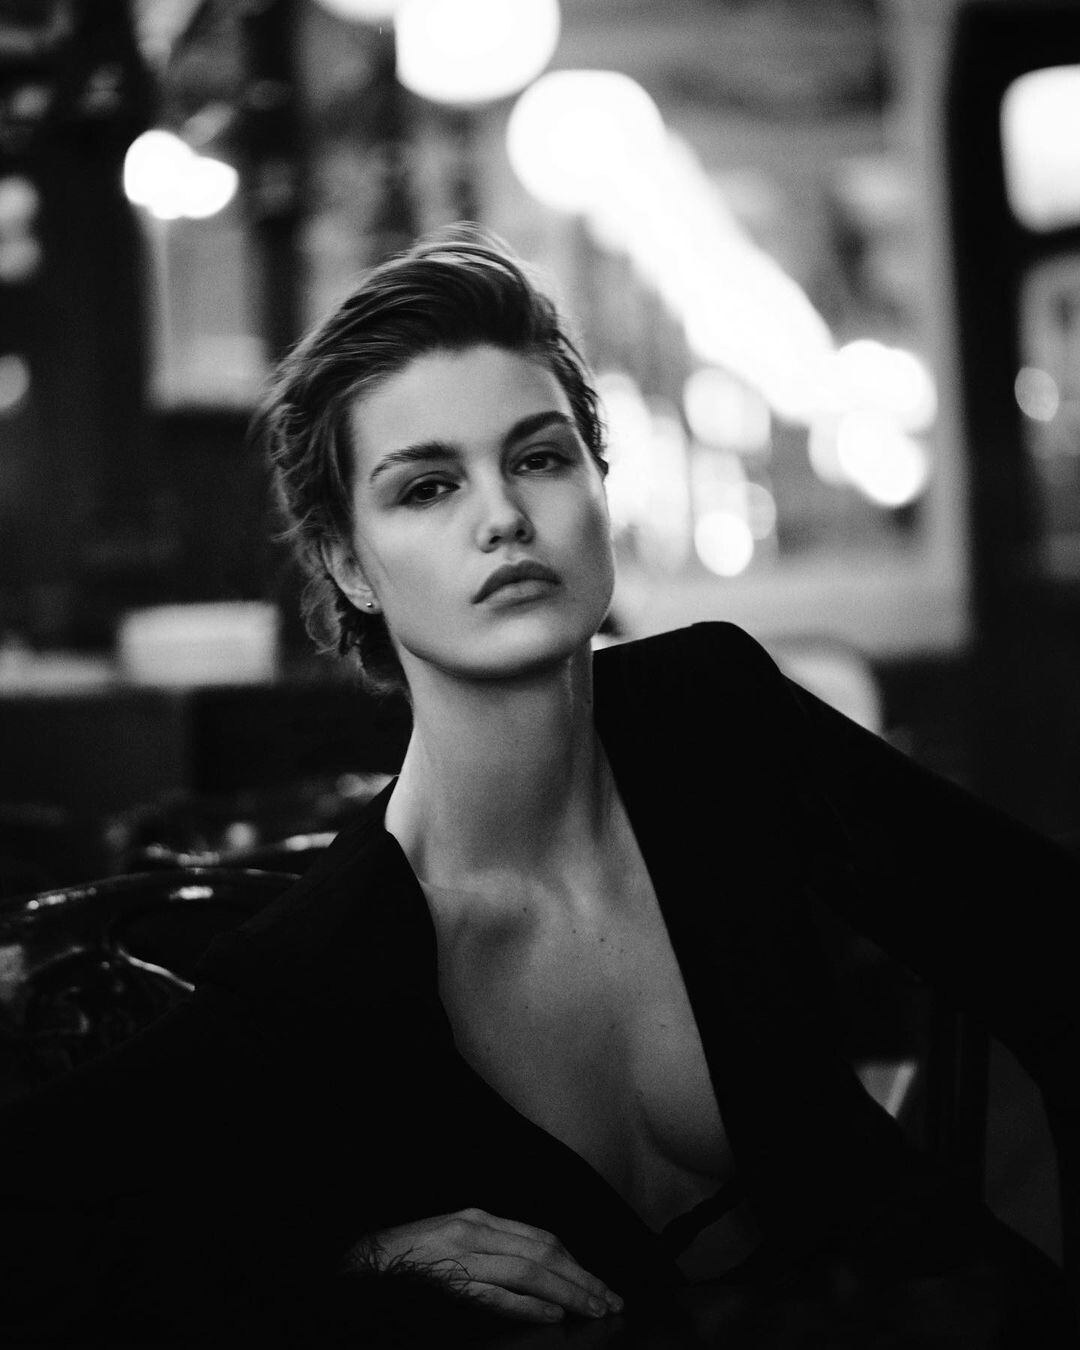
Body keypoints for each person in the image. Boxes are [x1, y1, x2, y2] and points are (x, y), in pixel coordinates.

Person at [1, 225, 1078, 1349]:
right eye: (428, 486)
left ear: (598, 483)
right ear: (348, 564)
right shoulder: (323, 968)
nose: (504, 515)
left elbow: (1044, 932)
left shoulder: (716, 718)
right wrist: (341, 1269)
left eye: (540, 458)